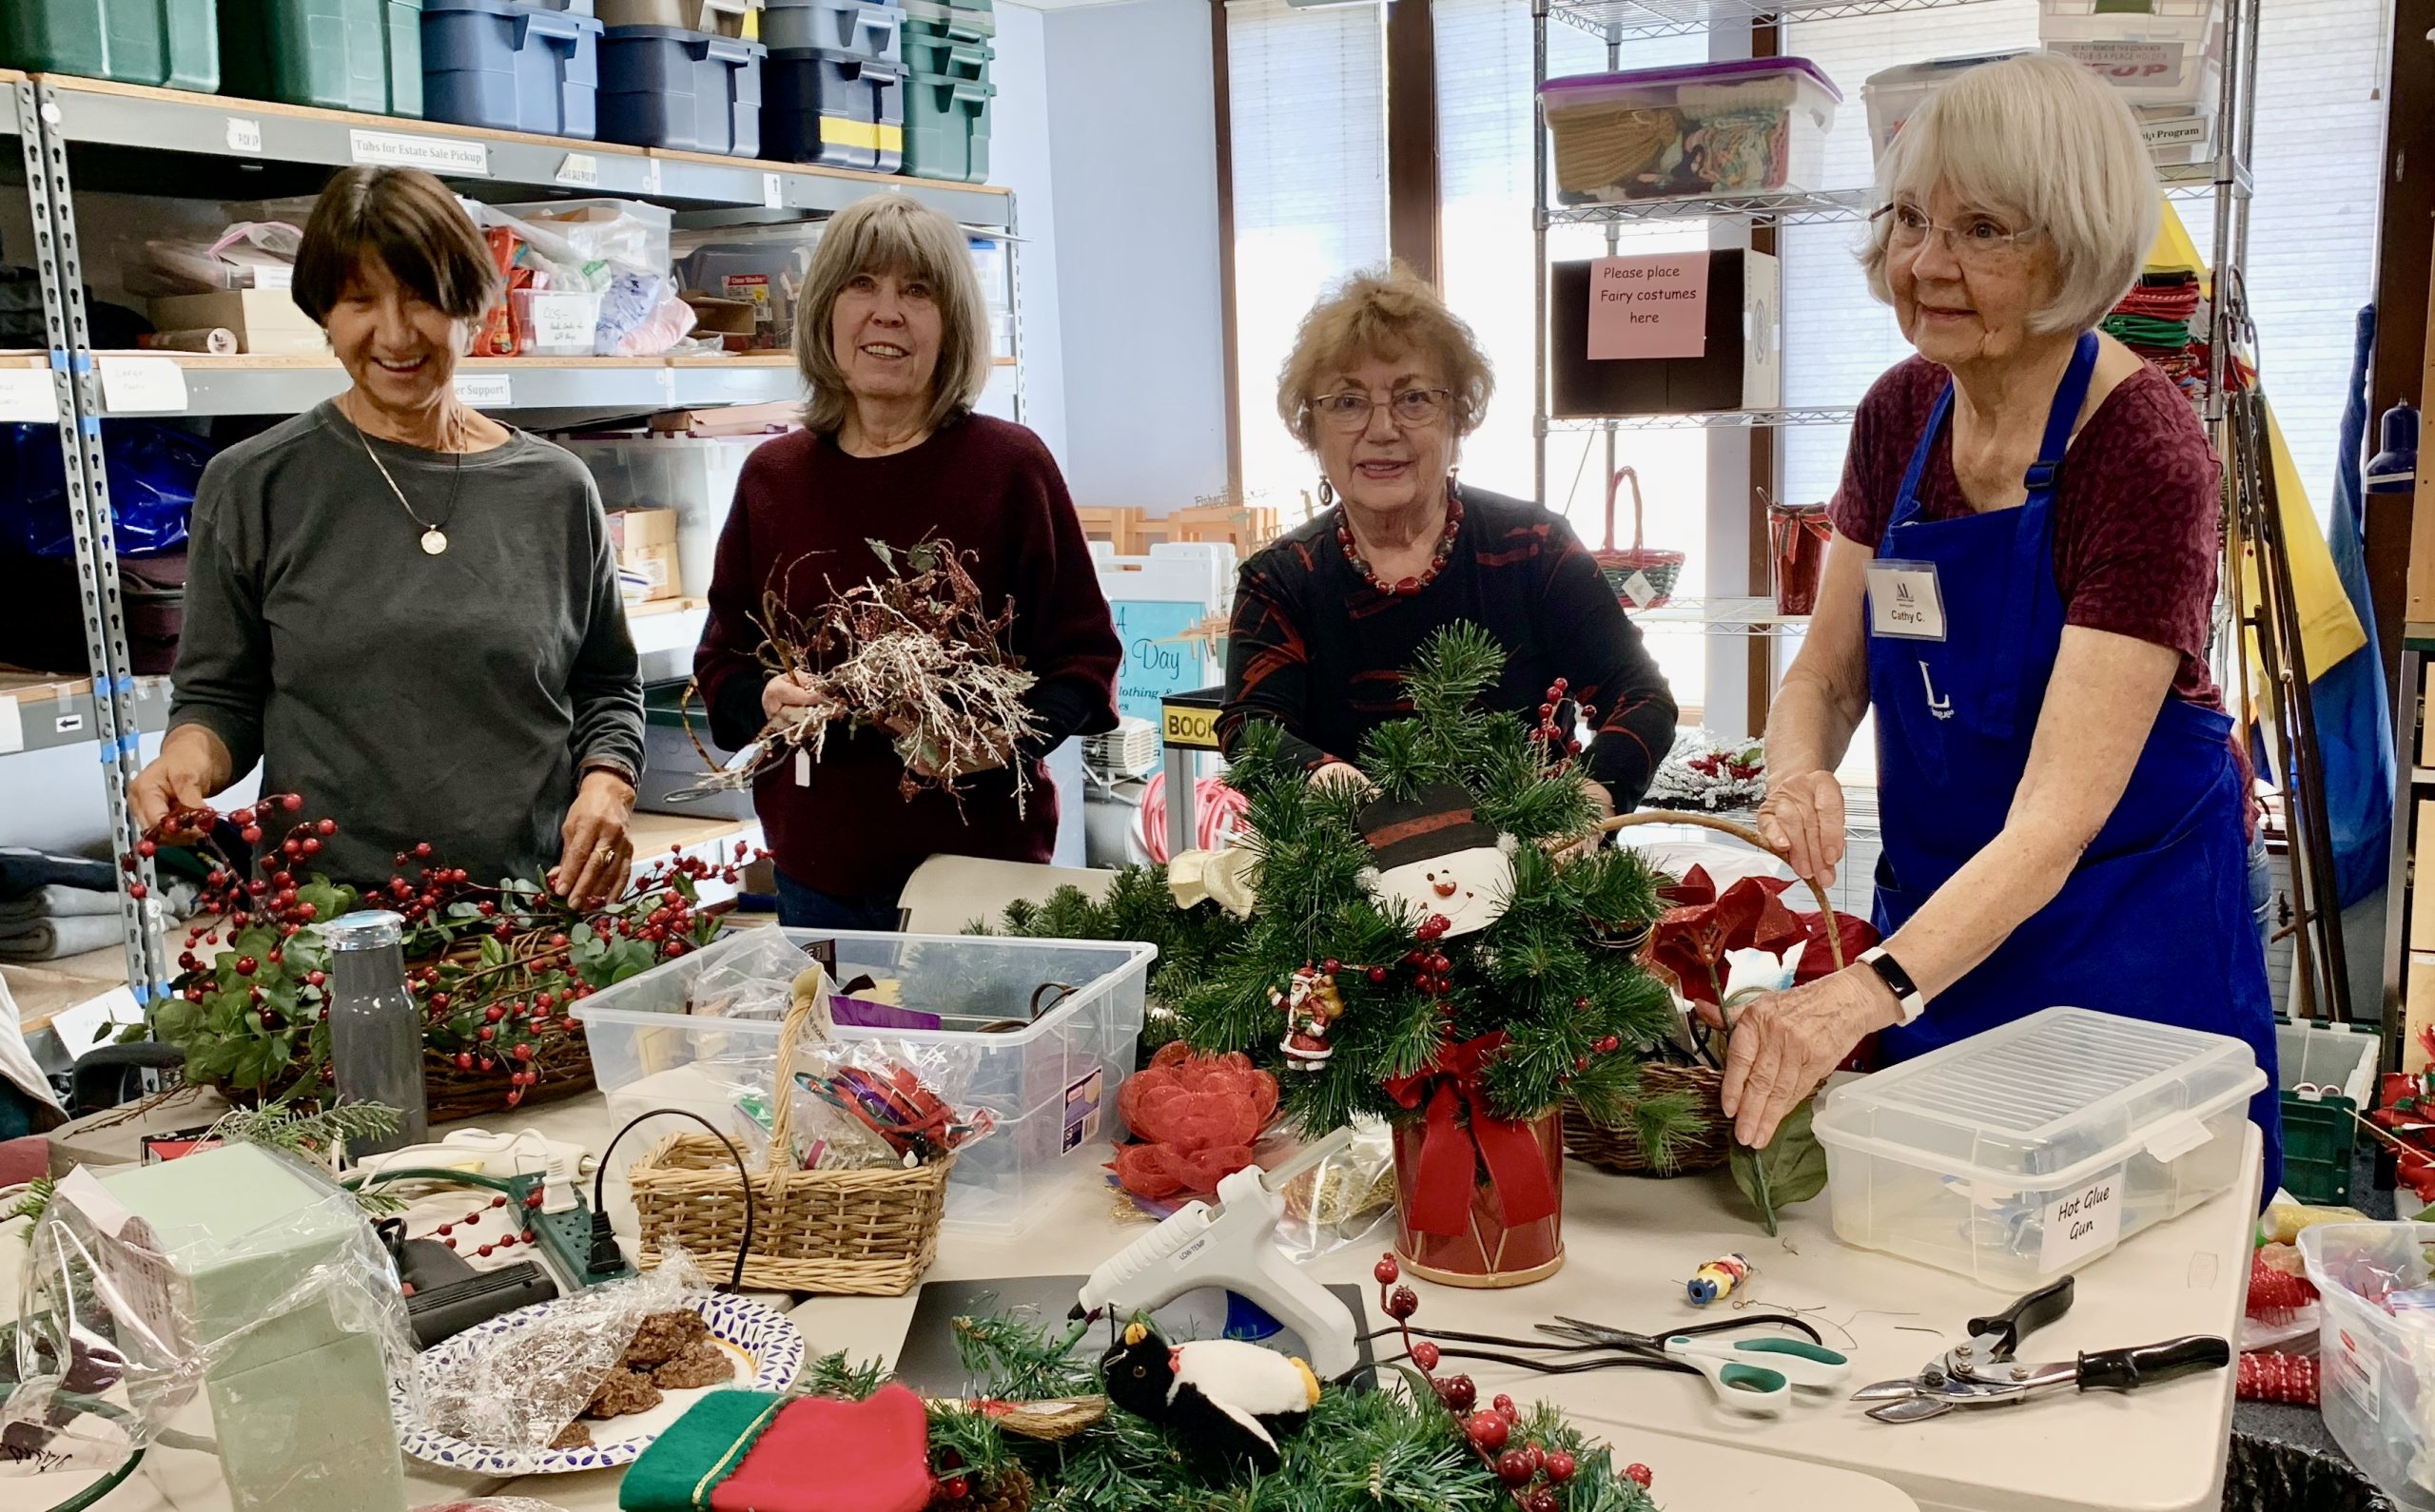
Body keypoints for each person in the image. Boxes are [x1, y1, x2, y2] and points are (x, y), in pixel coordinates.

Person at [1726, 53, 2281, 1193]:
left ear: (2070, 247)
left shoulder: (2142, 451)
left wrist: (1866, 991)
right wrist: (1794, 777)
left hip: (2120, 947)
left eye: (1981, 229)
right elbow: (1827, 684)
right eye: (1910, 221)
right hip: (1937, 932)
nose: (1924, 264)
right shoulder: (1900, 413)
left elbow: (2049, 828)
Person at [132, 166, 645, 904]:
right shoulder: (255, 484)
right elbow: (220, 697)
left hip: (532, 908)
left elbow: (606, 687)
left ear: (473, 307)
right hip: (328, 924)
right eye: (360, 299)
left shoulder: (557, 490)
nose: (397, 333)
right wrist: (181, 766)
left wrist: (608, 786)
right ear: (323, 315)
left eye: (424, 298)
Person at [694, 194, 1120, 930]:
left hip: (979, 877)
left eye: (917, 292)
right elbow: (722, 664)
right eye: (862, 284)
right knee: (838, 1046)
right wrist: (766, 699)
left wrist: (996, 739)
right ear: (825, 310)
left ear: (951, 324)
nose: (887, 312)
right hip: (818, 877)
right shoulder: (774, 478)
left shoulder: (1009, 467)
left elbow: (1082, 662)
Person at [1221, 265, 1677, 828]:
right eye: (1347, 402)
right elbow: (1251, 727)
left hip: (1535, 876)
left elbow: (1640, 695)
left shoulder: (1533, 549)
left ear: (1457, 417)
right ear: (1312, 429)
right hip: (1346, 882)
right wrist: (1328, 783)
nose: (1382, 428)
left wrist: (1591, 798)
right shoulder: (1282, 578)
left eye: (1413, 398)